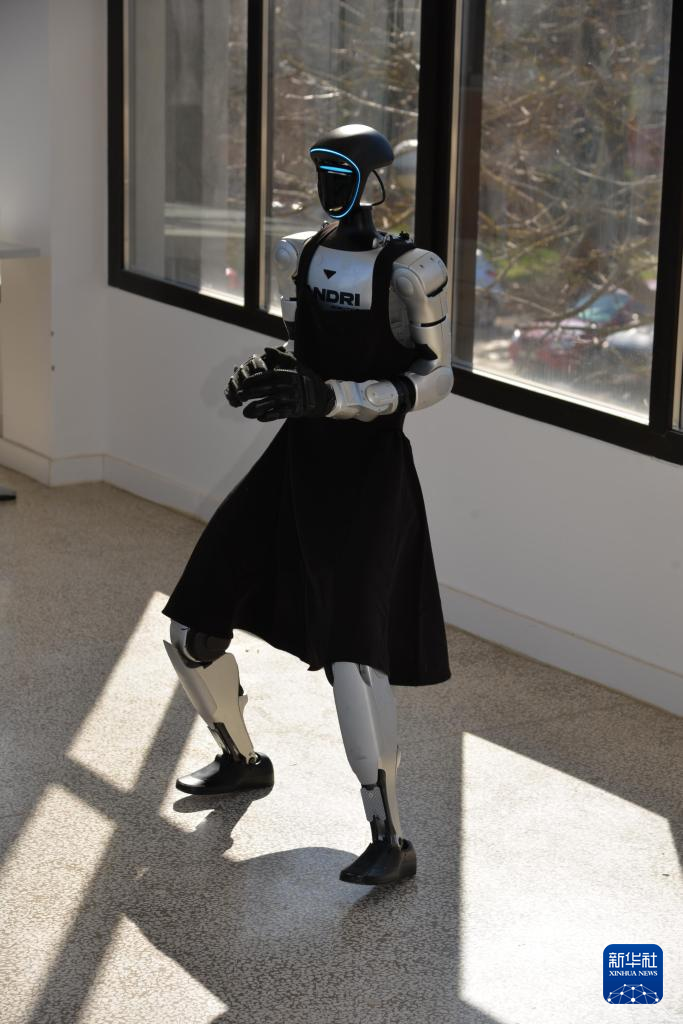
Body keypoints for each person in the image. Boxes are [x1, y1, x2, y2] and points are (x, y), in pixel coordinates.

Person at [163, 124, 453, 885]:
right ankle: (240, 759)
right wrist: (272, 371)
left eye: (343, 171)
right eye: (322, 168)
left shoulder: (412, 270)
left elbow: (436, 377)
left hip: (369, 474)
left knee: (354, 657)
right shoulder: (298, 253)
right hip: (295, 459)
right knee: (191, 625)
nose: (330, 183)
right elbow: (302, 348)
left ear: (376, 182)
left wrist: (334, 397)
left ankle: (390, 837)